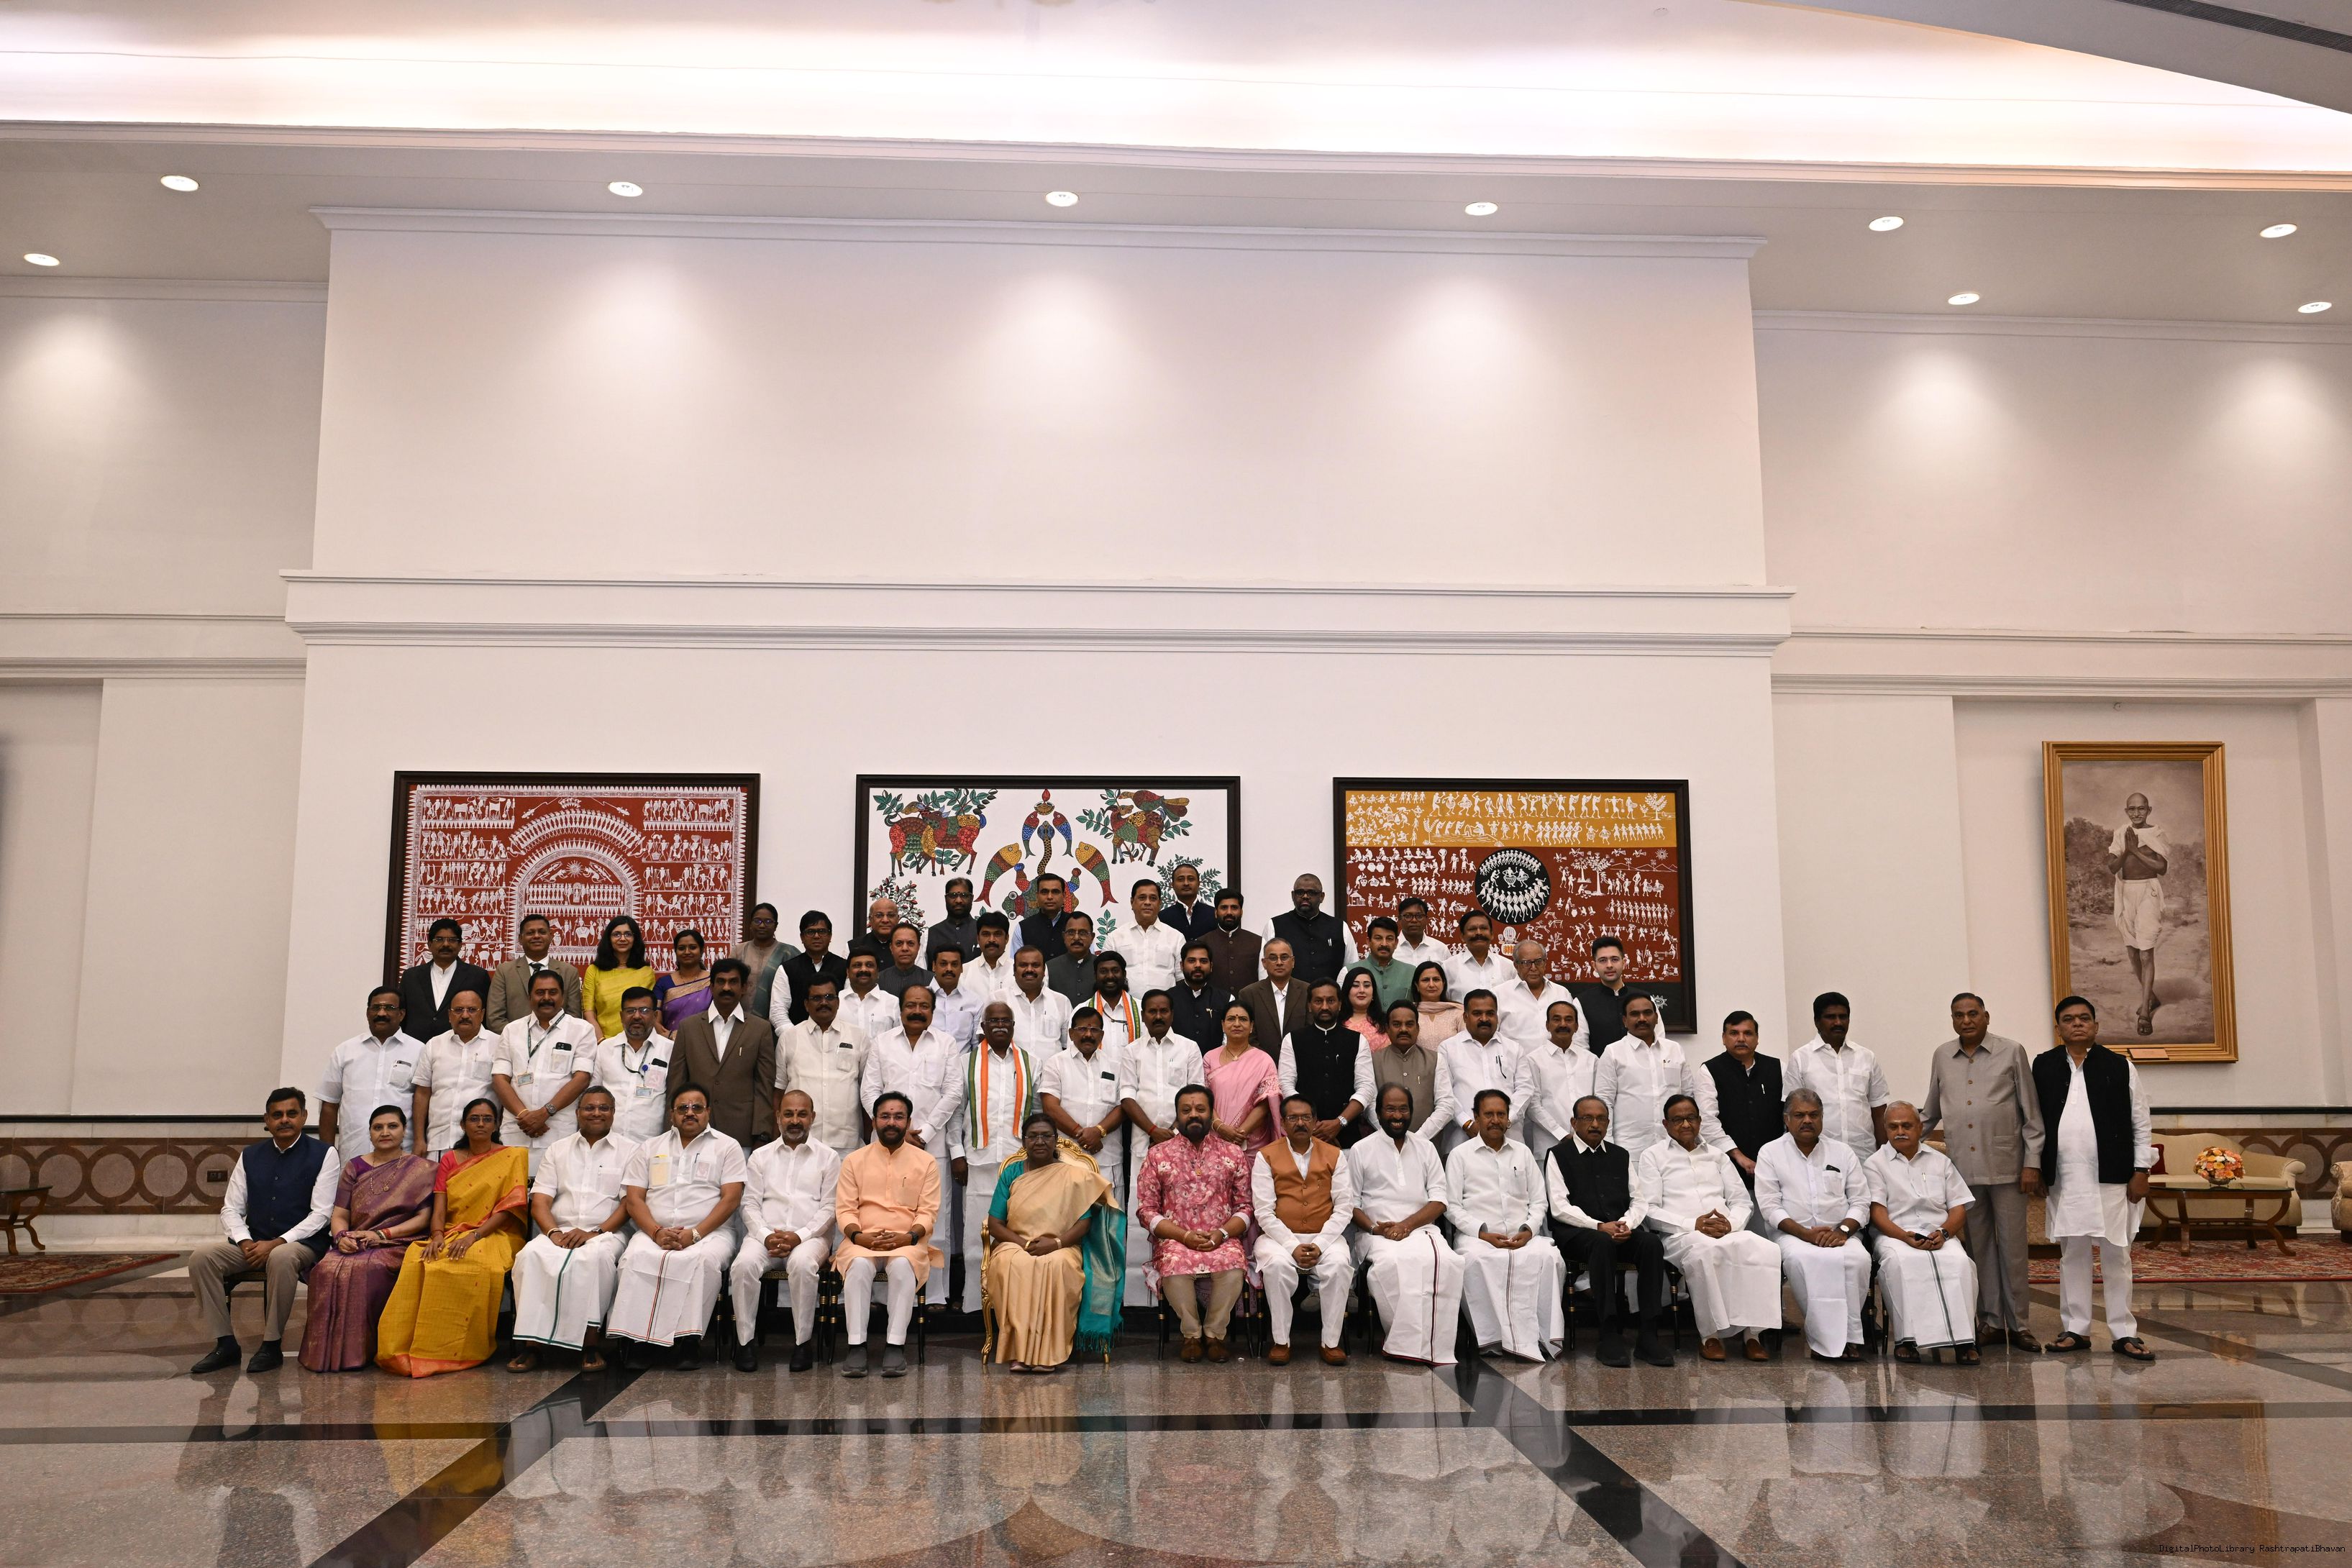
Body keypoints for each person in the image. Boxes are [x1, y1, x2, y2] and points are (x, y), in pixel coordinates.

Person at [1920, 992, 2044, 1352]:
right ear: (1952, 1020)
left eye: (1973, 1014)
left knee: (2013, 1249)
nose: (1966, 1021)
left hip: (2008, 1168)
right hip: (1963, 1172)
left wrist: (2032, 1162)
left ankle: (2019, 1325)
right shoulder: (1942, 1055)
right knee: (1979, 1250)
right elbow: (1931, 1111)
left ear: (1986, 1017)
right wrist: (1899, 1145)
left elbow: (2032, 1114)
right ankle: (1989, 1321)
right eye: (1959, 1015)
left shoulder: (2012, 1051)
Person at [2036, 995, 2156, 1361]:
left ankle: (2124, 1332)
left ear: (2096, 1025)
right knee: (2073, 1254)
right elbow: (2032, 1122)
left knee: (2117, 1254)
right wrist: (2035, 1167)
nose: (2077, 1024)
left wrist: (2141, 1170)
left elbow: (2140, 1121)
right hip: (2065, 1179)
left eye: (2084, 1018)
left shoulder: (2120, 1066)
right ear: (2058, 1027)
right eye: (2069, 1019)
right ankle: (2076, 1329)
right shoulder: (2043, 1065)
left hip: (2113, 1177)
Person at [188, 1088, 338, 1375]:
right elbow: (230, 1208)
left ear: (304, 1116)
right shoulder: (250, 1155)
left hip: (302, 1243)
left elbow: (321, 1214)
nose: (285, 1120)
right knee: (202, 1258)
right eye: (277, 1115)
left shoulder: (324, 1154)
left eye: (291, 1114)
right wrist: (244, 1241)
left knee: (281, 1258)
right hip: (254, 1244)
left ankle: (271, 1345)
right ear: (267, 1120)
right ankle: (225, 1344)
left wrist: (278, 1242)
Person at [377, 1097, 530, 1377]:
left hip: (496, 1233)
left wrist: (474, 1236)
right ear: (463, 1125)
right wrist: (437, 1235)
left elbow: (508, 1210)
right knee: (420, 1258)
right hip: (452, 1230)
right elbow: (440, 1207)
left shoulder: (513, 1157)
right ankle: (410, 1347)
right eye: (474, 1119)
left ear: (496, 1125)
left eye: (487, 1119)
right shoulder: (449, 1159)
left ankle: (461, 1350)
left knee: (474, 1263)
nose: (481, 1124)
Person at [608, 1085, 747, 1368]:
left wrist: (694, 1234)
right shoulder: (650, 1148)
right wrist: (656, 1232)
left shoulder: (727, 1146)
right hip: (654, 1231)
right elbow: (634, 1199)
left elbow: (731, 1199)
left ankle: (689, 1342)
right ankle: (638, 1342)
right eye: (683, 1108)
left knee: (702, 1262)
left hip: (710, 1233)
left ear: (708, 1112)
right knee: (634, 1258)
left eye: (697, 1107)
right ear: (672, 1114)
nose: (690, 1113)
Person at [1638, 1093, 1778, 1362]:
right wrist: (1694, 1224)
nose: (1686, 1124)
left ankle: (1753, 1335)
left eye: (1691, 1118)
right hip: (1681, 1234)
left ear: (1700, 1121)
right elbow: (1650, 1210)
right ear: (1666, 1125)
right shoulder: (1653, 1157)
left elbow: (1741, 1201)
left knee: (1764, 1250)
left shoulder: (1718, 1156)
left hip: (1725, 1230)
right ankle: (1710, 1336)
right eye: (1678, 1120)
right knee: (1706, 1253)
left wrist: (1730, 1224)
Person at [982, 1111, 1124, 1372]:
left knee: (1058, 1266)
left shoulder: (1073, 1175)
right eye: (1033, 1136)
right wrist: (1023, 1244)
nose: (1040, 1141)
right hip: (1016, 1243)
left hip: (1062, 1246)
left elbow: (1084, 1223)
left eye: (1046, 1136)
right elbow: (995, 1224)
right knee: (1009, 1264)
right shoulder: (1011, 1173)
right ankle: (1020, 1352)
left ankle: (1050, 1353)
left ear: (1056, 1140)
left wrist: (1056, 1244)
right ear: (1024, 1141)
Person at [506, 1085, 636, 1372]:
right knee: (530, 1256)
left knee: (595, 1259)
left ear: (614, 1113)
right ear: (577, 1113)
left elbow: (630, 1204)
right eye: (589, 1108)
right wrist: (553, 1233)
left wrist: (596, 1233)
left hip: (607, 1233)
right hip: (559, 1230)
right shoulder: (558, 1149)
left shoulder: (630, 1151)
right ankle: (532, 1346)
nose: (596, 1113)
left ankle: (591, 1344)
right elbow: (540, 1201)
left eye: (603, 1108)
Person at [299, 1104, 432, 1372]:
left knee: (368, 1268)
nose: (385, 1132)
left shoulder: (422, 1169)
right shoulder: (355, 1167)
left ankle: (364, 1351)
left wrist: (381, 1234)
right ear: (370, 1133)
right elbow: (340, 1214)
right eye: (378, 1127)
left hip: (398, 1242)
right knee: (325, 1269)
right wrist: (341, 1237)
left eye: (392, 1126)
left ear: (404, 1130)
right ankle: (322, 1355)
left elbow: (423, 1219)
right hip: (356, 1241)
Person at [1546, 1094, 1672, 1367]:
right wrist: (1599, 1226)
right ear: (1574, 1123)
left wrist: (1627, 1224)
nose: (1595, 1124)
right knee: (1601, 1243)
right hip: (1577, 1234)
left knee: (1651, 1244)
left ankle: (1648, 1334)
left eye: (1601, 1119)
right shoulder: (1558, 1155)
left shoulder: (1620, 1155)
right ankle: (1609, 1333)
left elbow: (1638, 1199)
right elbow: (1558, 1207)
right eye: (1587, 1118)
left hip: (1618, 1228)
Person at [1135, 1084, 1254, 1362]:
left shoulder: (1232, 1153)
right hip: (1176, 1239)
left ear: (1211, 1113)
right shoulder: (1158, 1155)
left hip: (1221, 1237)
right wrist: (1183, 1236)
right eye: (1186, 1110)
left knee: (1234, 1263)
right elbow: (1146, 1210)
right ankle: (1191, 1334)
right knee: (1174, 1263)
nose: (1193, 1115)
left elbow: (1246, 1207)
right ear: (1177, 1115)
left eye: (1200, 1109)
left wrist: (1222, 1234)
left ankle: (1214, 1334)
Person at [1346, 1083, 1462, 1367]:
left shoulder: (1425, 1148)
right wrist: (1376, 1229)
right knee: (1393, 1264)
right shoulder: (1361, 1150)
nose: (1397, 1116)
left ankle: (1436, 1346)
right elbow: (1350, 1204)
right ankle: (1403, 1344)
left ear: (1411, 1112)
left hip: (1421, 1229)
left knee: (1448, 1262)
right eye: (1390, 1109)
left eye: (1403, 1109)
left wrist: (1407, 1225)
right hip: (1376, 1234)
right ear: (1378, 1113)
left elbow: (1440, 1200)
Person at [1446, 1089, 1564, 1361]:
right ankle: (1492, 1338)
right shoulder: (1460, 1155)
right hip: (1477, 1237)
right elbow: (1451, 1206)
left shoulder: (1522, 1153)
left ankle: (1541, 1336)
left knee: (1549, 1257)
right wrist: (1483, 1233)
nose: (1495, 1120)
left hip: (1522, 1235)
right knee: (1475, 1261)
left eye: (1501, 1114)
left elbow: (1539, 1201)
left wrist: (1528, 1230)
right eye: (1488, 1114)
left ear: (1509, 1118)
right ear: (1476, 1117)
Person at [859, 985, 961, 1298]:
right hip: (886, 1145)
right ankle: (881, 1295)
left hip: (931, 1145)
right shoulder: (882, 1043)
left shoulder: (946, 1044)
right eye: (911, 1005)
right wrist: (897, 1128)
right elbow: (869, 1091)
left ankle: (935, 1294)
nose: (917, 1011)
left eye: (924, 1006)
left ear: (933, 1010)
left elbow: (953, 1092)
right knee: (882, 1211)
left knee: (935, 1219)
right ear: (900, 1009)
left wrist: (925, 1132)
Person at [1756, 1088, 1872, 1362]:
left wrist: (1843, 1231)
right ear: (1787, 1119)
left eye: (1813, 1115)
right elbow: (1770, 1207)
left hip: (1840, 1234)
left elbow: (1861, 1201)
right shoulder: (1771, 1153)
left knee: (1858, 1260)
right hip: (1793, 1235)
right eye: (1799, 1115)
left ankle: (1848, 1338)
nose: (1807, 1120)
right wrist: (1805, 1234)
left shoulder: (1842, 1152)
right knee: (1804, 1260)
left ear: (1822, 1117)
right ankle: (1824, 1341)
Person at [728, 1089, 839, 1373]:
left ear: (813, 1117)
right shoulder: (760, 1156)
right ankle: (745, 1342)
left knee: (802, 1264)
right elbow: (749, 1204)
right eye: (788, 1114)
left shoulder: (828, 1157)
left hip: (811, 1237)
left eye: (802, 1114)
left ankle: (803, 1343)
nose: (795, 1120)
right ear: (778, 1117)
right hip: (765, 1235)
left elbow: (830, 1208)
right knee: (743, 1265)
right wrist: (766, 1235)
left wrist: (798, 1236)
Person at [834, 1091, 942, 1377]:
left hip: (907, 1241)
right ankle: (856, 1346)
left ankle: (895, 1346)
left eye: (898, 1117)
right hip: (862, 1240)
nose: (891, 1122)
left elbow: (928, 1212)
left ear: (908, 1122)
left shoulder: (926, 1162)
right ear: (874, 1122)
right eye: (885, 1116)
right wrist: (859, 1237)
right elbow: (845, 1210)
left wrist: (909, 1237)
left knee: (903, 1266)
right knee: (858, 1266)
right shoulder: (854, 1161)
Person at [1866, 1102, 1982, 1364]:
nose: (1900, 1132)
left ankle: (1964, 1340)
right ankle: (1907, 1340)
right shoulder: (1875, 1164)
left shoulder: (1941, 1161)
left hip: (1939, 1233)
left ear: (1920, 1127)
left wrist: (1945, 1232)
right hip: (1895, 1234)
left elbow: (1958, 1207)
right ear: (1885, 1129)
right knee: (1900, 1263)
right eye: (1893, 1127)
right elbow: (1877, 1213)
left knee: (1961, 1263)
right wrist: (1904, 1236)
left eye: (1907, 1126)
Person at [944, 1002, 1040, 1312]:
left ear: (1013, 1026)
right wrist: (957, 1154)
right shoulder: (965, 1063)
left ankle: (1016, 1300)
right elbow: (956, 1113)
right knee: (977, 1234)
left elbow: (1038, 1115)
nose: (1000, 1025)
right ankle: (977, 1302)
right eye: (993, 1020)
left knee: (1020, 1232)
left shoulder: (1031, 1063)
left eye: (1005, 1020)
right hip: (979, 1162)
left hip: (1021, 1165)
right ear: (983, 1027)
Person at [1252, 1095, 1355, 1366]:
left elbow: (1344, 1207)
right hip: (1278, 1238)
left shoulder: (1335, 1155)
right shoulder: (1266, 1156)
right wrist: (1292, 1245)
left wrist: (1320, 1244)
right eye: (1293, 1118)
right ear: (1283, 1123)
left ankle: (1330, 1343)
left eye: (1306, 1117)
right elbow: (1264, 1211)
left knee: (1339, 1266)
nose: (1300, 1123)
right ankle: (1281, 1342)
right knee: (1276, 1266)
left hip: (1325, 1237)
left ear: (1315, 1121)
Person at [1118, 992, 1203, 1305]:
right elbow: (1127, 1096)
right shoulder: (1131, 1051)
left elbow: (1197, 1095)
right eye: (1152, 1011)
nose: (1158, 1016)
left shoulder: (1189, 1048)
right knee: (1141, 1211)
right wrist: (1154, 1131)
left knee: (1180, 1212)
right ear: (1143, 1015)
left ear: (1172, 1014)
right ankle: (1139, 1299)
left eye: (1163, 1011)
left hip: (1184, 1143)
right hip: (1145, 1142)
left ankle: (1181, 1289)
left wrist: (1175, 1134)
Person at [663, 957, 780, 1152]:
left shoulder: (760, 1029)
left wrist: (762, 1134)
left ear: (744, 988)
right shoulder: (688, 1027)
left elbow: (764, 1086)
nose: (726, 988)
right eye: (721, 982)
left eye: (733, 982)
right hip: (692, 1132)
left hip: (741, 1135)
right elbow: (676, 1082)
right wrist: (672, 1128)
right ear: (711, 986)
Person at [491, 969, 597, 1177]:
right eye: (540, 993)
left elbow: (582, 1078)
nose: (546, 998)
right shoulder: (512, 1030)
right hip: (517, 1130)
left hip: (557, 1131)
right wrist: (525, 1116)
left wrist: (544, 1113)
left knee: (555, 1191)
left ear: (563, 996)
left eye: (553, 992)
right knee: (513, 1191)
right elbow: (500, 1078)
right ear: (529, 997)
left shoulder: (582, 1030)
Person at [317, 988, 424, 1164]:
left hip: (402, 1157)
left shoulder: (419, 1051)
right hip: (353, 1154)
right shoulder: (345, 1051)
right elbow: (329, 1105)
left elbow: (424, 1102)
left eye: (389, 1008)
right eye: (376, 1008)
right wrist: (328, 1154)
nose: (381, 1013)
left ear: (401, 1014)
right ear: (368, 1013)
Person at [1594, 993, 1702, 1160]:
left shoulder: (1674, 1049)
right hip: (1630, 1148)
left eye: (1647, 1013)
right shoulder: (1613, 1052)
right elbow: (1604, 1102)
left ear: (1656, 1018)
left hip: (1674, 1144)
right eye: (1635, 1014)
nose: (1642, 1019)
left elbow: (1688, 1096)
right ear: (1625, 1020)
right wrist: (1608, 1145)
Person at [1786, 991, 1892, 1156]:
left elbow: (1879, 1112)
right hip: (1819, 1155)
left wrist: (1885, 1156)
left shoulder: (1866, 1057)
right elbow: (1792, 1114)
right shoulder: (1800, 1058)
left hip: (1863, 1154)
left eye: (1843, 1017)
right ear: (1817, 1022)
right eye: (1831, 1017)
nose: (1838, 1022)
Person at [1039, 1007, 1129, 1198]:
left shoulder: (1115, 1065)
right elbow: (1050, 1107)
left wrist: (1098, 1132)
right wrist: (1083, 1135)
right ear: (1071, 1034)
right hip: (1065, 1157)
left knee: (1108, 1214)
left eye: (1094, 1030)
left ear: (1102, 1035)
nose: (1088, 1034)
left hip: (1107, 1157)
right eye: (1082, 1029)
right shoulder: (1055, 1063)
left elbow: (1124, 1106)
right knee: (1067, 1212)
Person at [776, 975, 869, 1155]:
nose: (824, 1003)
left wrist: (869, 1137)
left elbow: (866, 1090)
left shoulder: (858, 1036)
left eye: (829, 997)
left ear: (838, 1002)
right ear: (806, 1004)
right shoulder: (789, 1037)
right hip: (800, 1141)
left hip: (846, 1143)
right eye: (816, 998)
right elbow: (779, 1090)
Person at [1693, 1011, 1781, 1192]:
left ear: (1757, 1038)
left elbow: (1789, 1117)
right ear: (1723, 1038)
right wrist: (1739, 1156)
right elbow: (1707, 1121)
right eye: (1734, 1033)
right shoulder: (1709, 1071)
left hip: (1776, 1166)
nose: (1741, 1039)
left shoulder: (1778, 1068)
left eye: (1748, 1033)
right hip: (1727, 1165)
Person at [1279, 981, 1375, 1147]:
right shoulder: (1292, 1040)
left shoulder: (1357, 1040)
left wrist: (1340, 1122)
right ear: (1309, 1006)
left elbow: (1366, 1088)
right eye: (1318, 1001)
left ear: (1340, 1004)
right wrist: (1311, 1124)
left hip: (1348, 1138)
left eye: (1330, 1001)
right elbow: (1286, 1085)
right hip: (1304, 1136)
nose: (1324, 1007)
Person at [2108, 791, 2171, 1035]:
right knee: (2132, 952)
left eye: (2141, 808)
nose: (2137, 813)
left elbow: (2161, 868)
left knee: (2146, 954)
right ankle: (2152, 997)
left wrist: (2135, 851)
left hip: (2148, 893)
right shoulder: (2121, 833)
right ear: (2127, 811)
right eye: (2132, 809)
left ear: (2149, 810)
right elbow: (2112, 867)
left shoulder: (2157, 833)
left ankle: (2145, 1012)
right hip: (2125, 893)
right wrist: (2127, 850)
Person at [411, 988, 496, 1159]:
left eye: (472, 1010)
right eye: (458, 1010)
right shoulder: (434, 1045)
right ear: (450, 1015)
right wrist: (419, 1139)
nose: (465, 1015)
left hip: (482, 1145)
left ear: (482, 1014)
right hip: (439, 1142)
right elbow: (422, 1093)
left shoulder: (498, 1044)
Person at [1434, 990, 1520, 1158]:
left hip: (1510, 1139)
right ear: (1465, 1017)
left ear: (1497, 1016)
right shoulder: (1448, 1048)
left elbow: (1525, 1089)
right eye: (1477, 1014)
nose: (1484, 1019)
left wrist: (1505, 1120)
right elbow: (1445, 1093)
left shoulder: (1514, 1049)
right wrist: (1467, 1123)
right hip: (1462, 1139)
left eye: (1490, 1013)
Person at [1513, 999, 1597, 1167]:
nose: (1563, 1024)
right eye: (1557, 1019)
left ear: (1577, 1026)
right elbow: (1533, 1106)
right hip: (1549, 1146)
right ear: (1547, 1025)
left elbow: (1598, 1102)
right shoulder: (1533, 1059)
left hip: (1589, 1145)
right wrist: (1562, 1134)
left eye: (1568, 1019)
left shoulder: (1592, 1060)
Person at [591, 985, 673, 1144]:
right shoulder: (605, 1049)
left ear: (655, 1015)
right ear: (621, 1016)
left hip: (652, 1144)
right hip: (607, 1143)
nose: (636, 1016)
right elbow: (592, 1094)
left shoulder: (670, 1050)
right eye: (630, 1011)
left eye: (644, 1010)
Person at [1203, 998, 1283, 1156]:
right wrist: (1220, 1127)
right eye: (1231, 1019)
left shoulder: (1264, 1060)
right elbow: (1204, 1098)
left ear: (1252, 1026)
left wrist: (1240, 1133)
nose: (1237, 1024)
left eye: (1243, 1019)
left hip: (1252, 1142)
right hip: (1216, 1138)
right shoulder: (1209, 1058)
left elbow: (1266, 1103)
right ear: (1223, 1025)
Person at [398, 918, 494, 1049]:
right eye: (439, 940)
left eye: (452, 940)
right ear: (429, 944)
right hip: (416, 1048)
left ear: (460, 945)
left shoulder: (477, 976)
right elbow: (401, 1016)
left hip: (461, 1049)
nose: (446, 944)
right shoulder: (411, 976)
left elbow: (485, 1017)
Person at [486, 913, 583, 1031]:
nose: (536, 936)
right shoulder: (505, 972)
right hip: (516, 1041)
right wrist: (524, 1038)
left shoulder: (569, 972)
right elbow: (494, 1018)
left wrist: (551, 1038)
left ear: (551, 936)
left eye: (542, 932)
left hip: (558, 1041)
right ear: (520, 939)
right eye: (530, 933)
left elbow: (574, 1017)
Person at [1371, 999, 1449, 1147]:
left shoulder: (1436, 1059)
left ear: (1418, 1028)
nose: (1403, 1029)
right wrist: (1389, 1135)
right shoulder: (1374, 1061)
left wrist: (1419, 1139)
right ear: (1387, 1028)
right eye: (1397, 1024)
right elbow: (1370, 1105)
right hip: (1384, 1146)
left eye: (1409, 1024)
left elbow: (1446, 1105)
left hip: (1427, 1146)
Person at [582, 915, 656, 1040]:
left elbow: (648, 1012)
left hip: (638, 1041)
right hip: (603, 1042)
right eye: (617, 934)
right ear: (609, 939)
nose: (622, 939)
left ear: (635, 939)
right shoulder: (594, 971)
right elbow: (589, 1012)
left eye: (628, 934)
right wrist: (602, 1042)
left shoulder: (646, 972)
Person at [1271, 873, 1351, 986]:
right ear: (1293, 896)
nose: (1305, 896)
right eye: (1300, 892)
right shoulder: (1275, 925)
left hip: (1330, 996)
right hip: (1288, 996)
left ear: (1322, 896)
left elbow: (1350, 969)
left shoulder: (1340, 927)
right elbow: (1265, 968)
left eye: (1312, 893)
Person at [773, 910, 849, 1026]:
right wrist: (795, 1034)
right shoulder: (787, 969)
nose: (817, 936)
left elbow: (849, 1008)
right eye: (810, 932)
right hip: (796, 1035)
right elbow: (778, 1011)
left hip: (838, 1034)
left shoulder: (846, 968)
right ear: (802, 937)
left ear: (830, 936)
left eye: (822, 931)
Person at [1496, 939, 1572, 1054]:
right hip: (1515, 1063)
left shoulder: (1561, 993)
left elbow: (1575, 1034)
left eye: (1538, 962)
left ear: (1545, 963)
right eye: (1526, 963)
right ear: (1516, 965)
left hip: (1557, 1063)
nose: (1533, 968)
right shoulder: (1499, 994)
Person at [1237, 938, 1308, 1057]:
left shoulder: (1307, 991)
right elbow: (1248, 1036)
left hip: (1301, 1061)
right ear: (1264, 963)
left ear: (1293, 961)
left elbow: (1311, 1031)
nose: (1279, 962)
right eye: (1273, 958)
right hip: (1261, 1064)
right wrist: (1267, 1063)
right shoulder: (1248, 994)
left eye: (1284, 957)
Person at [1118, 878, 1188, 995]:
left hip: (1166, 1005)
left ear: (1160, 904)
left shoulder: (1176, 937)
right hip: (1127, 1005)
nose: (1147, 902)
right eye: (1142, 898)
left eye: (1153, 898)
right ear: (1132, 902)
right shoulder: (1115, 938)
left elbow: (1182, 978)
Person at [1567, 935, 1636, 1054]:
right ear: (1594, 966)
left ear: (1624, 963)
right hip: (1598, 1066)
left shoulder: (1644, 999)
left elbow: (1657, 1043)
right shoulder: (1582, 1002)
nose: (1609, 965)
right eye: (1603, 960)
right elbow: (1581, 1050)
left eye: (1615, 959)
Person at [737, 902, 800, 1023]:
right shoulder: (739, 951)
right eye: (757, 921)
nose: (762, 925)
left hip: (778, 1022)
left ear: (776, 926)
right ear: (750, 924)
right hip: (742, 1020)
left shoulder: (789, 953)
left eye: (768, 921)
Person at [1006, 945, 1073, 1055]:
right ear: (1014, 970)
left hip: (1052, 1067)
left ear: (1044, 970)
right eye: (1023, 965)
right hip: (1013, 1066)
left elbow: (1069, 1047)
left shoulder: (1061, 1002)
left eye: (1036, 965)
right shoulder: (998, 1000)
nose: (1029, 970)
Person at [1167, 941, 1231, 1048]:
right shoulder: (1167, 999)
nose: (1198, 965)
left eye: (1203, 961)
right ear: (1182, 965)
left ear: (1211, 966)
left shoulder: (1227, 999)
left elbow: (1229, 1040)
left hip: (1216, 1058)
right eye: (1192, 961)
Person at [652, 927, 714, 1036]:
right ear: (675, 952)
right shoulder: (664, 983)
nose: (687, 952)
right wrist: (671, 1037)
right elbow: (654, 1019)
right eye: (681, 948)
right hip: (668, 1042)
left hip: (705, 1041)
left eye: (693, 947)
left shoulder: (712, 980)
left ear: (702, 951)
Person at [1199, 889, 1261, 993]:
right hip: (1213, 1003)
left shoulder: (1258, 942)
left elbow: (1264, 982)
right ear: (1216, 913)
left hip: (1248, 1003)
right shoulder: (1202, 943)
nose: (1229, 912)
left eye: (1234, 908)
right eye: (1224, 908)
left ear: (1241, 912)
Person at [1441, 912, 1512, 1002]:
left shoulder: (1509, 967)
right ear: (1462, 936)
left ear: (1492, 934)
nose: (1479, 933)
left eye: (1484, 928)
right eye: (1472, 929)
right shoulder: (1447, 967)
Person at [928, 945, 985, 1052]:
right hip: (927, 1061)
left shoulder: (974, 1002)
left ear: (962, 968)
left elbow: (976, 1044)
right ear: (934, 966)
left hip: (962, 1061)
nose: (949, 969)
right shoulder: (920, 999)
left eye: (954, 964)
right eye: (943, 964)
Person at [837, 949, 900, 1046]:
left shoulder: (892, 1002)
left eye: (869, 965)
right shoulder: (836, 1001)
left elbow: (899, 1040)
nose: (864, 969)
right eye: (857, 965)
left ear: (878, 972)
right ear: (848, 972)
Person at [1086, 950, 1146, 1051]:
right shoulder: (1082, 1010)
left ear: (1124, 974)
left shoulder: (1142, 1010)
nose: (1110, 976)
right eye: (1103, 971)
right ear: (1095, 976)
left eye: (1115, 971)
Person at [1352, 917, 1415, 1012]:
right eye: (1378, 938)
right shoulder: (1349, 971)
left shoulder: (1412, 972)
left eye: (1389, 939)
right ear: (1368, 942)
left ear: (1396, 943)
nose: (1384, 944)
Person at [1046, 911, 1099, 1005]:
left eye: (1083, 933)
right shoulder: (1048, 968)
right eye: (1071, 933)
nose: (1076, 938)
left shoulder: (1101, 967)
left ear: (1092, 937)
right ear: (1064, 936)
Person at [926, 876, 980, 967]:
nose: (959, 900)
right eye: (953, 895)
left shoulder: (983, 932)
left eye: (964, 895)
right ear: (946, 899)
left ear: (971, 898)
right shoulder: (930, 934)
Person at [1336, 965, 1391, 1052]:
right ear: (1347, 991)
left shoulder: (1385, 1022)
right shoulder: (1336, 1022)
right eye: (1355, 985)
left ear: (1373, 992)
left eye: (1367, 986)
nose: (1362, 990)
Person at [1016, 872, 1071, 959]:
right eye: (1044, 892)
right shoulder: (1022, 928)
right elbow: (1016, 963)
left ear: (1064, 896)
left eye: (1055, 892)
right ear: (1037, 896)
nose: (1050, 897)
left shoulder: (1077, 925)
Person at [967, 911, 1018, 1001]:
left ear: (1007, 938)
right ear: (978, 939)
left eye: (997, 934)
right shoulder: (965, 972)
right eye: (986, 934)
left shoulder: (1019, 971)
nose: (991, 940)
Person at [1164, 862, 1219, 941]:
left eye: (1191, 879)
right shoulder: (1162, 918)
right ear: (1172, 885)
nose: (1186, 883)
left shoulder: (1214, 915)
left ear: (1199, 883)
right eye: (1181, 879)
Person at [1411, 960, 1462, 1047]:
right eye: (1426, 980)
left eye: (1436, 980)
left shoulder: (1458, 1012)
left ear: (1443, 983)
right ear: (1417, 985)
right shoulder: (1409, 1013)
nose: (1431, 985)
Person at [1393, 897, 1450, 970]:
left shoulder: (1441, 949)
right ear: (1399, 919)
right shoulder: (1391, 948)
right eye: (1408, 916)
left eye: (1419, 916)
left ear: (1426, 919)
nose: (1414, 920)